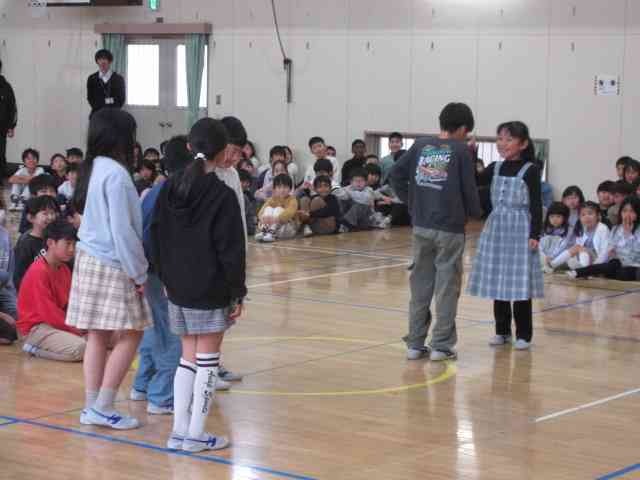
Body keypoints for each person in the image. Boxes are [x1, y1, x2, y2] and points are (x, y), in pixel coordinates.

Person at [150, 117, 245, 452]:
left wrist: (165, 277)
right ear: (222, 152)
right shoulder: (221, 194)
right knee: (207, 361)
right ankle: (195, 434)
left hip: (176, 287)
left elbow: (155, 235)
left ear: (190, 147)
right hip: (210, 288)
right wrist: (238, 292)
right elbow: (231, 250)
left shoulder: (170, 187)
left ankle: (179, 431)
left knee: (187, 359)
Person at [66, 109, 151, 430]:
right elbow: (123, 231)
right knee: (133, 331)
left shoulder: (95, 167)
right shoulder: (116, 174)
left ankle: (92, 406)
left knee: (97, 335)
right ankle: (103, 405)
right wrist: (139, 272)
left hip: (89, 258)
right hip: (111, 262)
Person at [391, 103, 481, 361]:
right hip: (450, 228)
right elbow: (469, 188)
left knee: (420, 285)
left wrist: (412, 202)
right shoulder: (461, 150)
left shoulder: (420, 145)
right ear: (462, 128)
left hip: (421, 226)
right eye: (466, 131)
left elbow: (395, 175)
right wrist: (476, 212)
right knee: (446, 288)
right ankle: (441, 346)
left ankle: (415, 344)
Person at [467, 121, 543, 351]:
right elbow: (474, 179)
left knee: (519, 283)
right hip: (497, 228)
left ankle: (524, 334)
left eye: (509, 139)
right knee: (498, 280)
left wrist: (535, 233)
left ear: (523, 143)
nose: (502, 143)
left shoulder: (531, 170)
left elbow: (536, 204)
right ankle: (502, 331)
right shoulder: (495, 166)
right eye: (499, 138)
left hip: (520, 228)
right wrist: (471, 154)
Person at [129, 136, 191, 416]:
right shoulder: (177, 193)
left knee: (155, 329)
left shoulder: (156, 190)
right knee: (173, 334)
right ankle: (162, 395)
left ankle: (142, 385)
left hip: (150, 270)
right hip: (163, 272)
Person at [18, 220, 85, 362]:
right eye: (67, 244)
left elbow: (69, 304)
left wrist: (83, 325)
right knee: (82, 348)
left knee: (100, 337)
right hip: (36, 329)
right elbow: (48, 312)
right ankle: (32, 348)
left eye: (74, 244)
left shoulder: (64, 269)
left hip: (55, 324)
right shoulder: (39, 271)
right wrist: (76, 329)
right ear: (50, 243)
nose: (72, 249)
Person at [568, 196, 640, 281]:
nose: (627, 214)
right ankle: (578, 272)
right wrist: (612, 253)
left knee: (622, 273)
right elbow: (610, 249)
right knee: (613, 265)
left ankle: (584, 272)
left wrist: (629, 233)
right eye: (624, 211)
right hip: (618, 263)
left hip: (635, 265)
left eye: (631, 211)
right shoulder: (616, 229)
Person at [14, 196, 59, 291]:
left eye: (52, 213)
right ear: (31, 218)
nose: (51, 217)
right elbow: (19, 277)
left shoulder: (56, 238)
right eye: (45, 213)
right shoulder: (25, 243)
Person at [552, 201, 610, 270]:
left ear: (598, 216)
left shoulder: (602, 228)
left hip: (598, 260)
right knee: (577, 249)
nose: (587, 217)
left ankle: (554, 264)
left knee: (578, 248)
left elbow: (604, 252)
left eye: (590, 213)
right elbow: (577, 248)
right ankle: (553, 265)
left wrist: (595, 266)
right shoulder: (581, 229)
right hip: (584, 257)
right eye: (583, 215)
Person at [255, 174, 299, 242]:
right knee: (268, 209)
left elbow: (289, 212)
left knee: (278, 209)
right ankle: (264, 231)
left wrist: (276, 219)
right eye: (279, 187)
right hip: (275, 227)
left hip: (287, 228)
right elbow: (262, 210)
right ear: (274, 189)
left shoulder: (292, 200)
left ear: (290, 189)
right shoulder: (272, 199)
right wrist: (263, 218)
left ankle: (271, 233)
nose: (282, 190)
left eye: (285, 187)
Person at [87, 49, 126, 116]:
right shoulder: (92, 78)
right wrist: (109, 101)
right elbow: (90, 99)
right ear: (97, 61)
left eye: (105, 59)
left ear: (110, 61)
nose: (102, 62)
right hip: (97, 115)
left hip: (114, 115)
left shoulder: (119, 79)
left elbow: (121, 99)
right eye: (100, 59)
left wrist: (103, 101)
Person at [539, 202, 574, 274]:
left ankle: (549, 266)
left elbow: (563, 246)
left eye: (558, 216)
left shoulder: (569, 230)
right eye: (552, 216)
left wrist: (552, 256)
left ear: (565, 217)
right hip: (546, 256)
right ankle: (545, 265)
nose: (554, 219)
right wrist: (545, 256)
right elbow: (541, 245)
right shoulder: (546, 228)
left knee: (569, 260)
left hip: (559, 256)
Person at [0, 59, 17, 179]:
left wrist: (11, 126)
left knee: (0, 154)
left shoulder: (6, 87)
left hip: (1, 128)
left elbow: (13, 107)